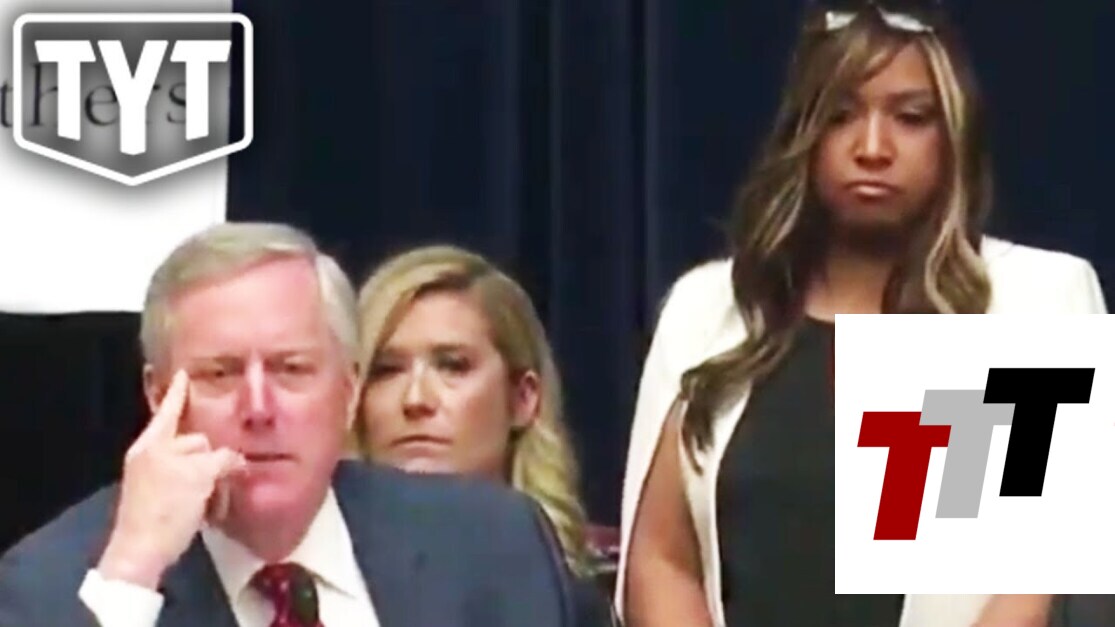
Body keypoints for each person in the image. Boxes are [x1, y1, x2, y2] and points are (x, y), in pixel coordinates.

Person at [617, 2, 1107, 627]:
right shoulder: (713, 308)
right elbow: (663, 558)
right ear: (805, 134)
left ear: (953, 133)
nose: (872, 147)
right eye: (841, 115)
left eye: (910, 118)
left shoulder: (1032, 301)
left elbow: (1036, 575)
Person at [0, 222, 579, 627]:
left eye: (292, 369)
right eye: (221, 373)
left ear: (348, 391)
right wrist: (131, 575)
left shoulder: (493, 542)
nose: (259, 407)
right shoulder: (56, 584)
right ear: (158, 396)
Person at [351, 244, 616, 625]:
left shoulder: (572, 600)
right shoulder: (302, 579)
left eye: (453, 366)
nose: (415, 399)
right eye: (386, 370)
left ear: (522, 399)